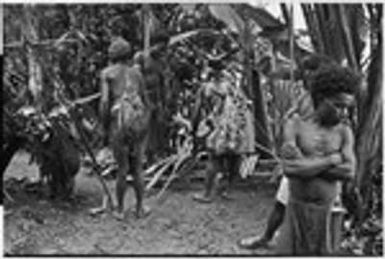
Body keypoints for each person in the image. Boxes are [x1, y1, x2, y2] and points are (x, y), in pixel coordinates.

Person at [238, 54, 339, 250]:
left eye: (313, 74)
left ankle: (280, 241)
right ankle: (268, 238)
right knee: (282, 202)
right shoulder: (307, 95)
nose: (308, 78)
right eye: (307, 74)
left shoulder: (328, 103)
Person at [274, 64, 358, 255]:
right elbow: (290, 169)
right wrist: (332, 160)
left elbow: (349, 171)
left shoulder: (344, 131)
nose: (343, 113)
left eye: (347, 108)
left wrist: (306, 164)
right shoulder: (295, 125)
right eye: (338, 105)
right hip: (296, 209)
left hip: (328, 213)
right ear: (321, 99)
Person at [98, 37, 152, 220]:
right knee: (137, 168)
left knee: (122, 168)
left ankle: (120, 210)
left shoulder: (107, 73)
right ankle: (139, 208)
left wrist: (104, 128)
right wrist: (144, 125)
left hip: (118, 124)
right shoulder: (137, 74)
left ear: (112, 55)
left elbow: (105, 103)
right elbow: (145, 101)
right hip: (137, 123)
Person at [192, 59, 255, 203]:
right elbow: (244, 106)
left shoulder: (206, 88)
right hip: (235, 129)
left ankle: (207, 194)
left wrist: (195, 128)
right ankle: (230, 190)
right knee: (234, 159)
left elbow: (197, 111)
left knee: (214, 160)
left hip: (217, 128)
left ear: (210, 70)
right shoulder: (232, 87)